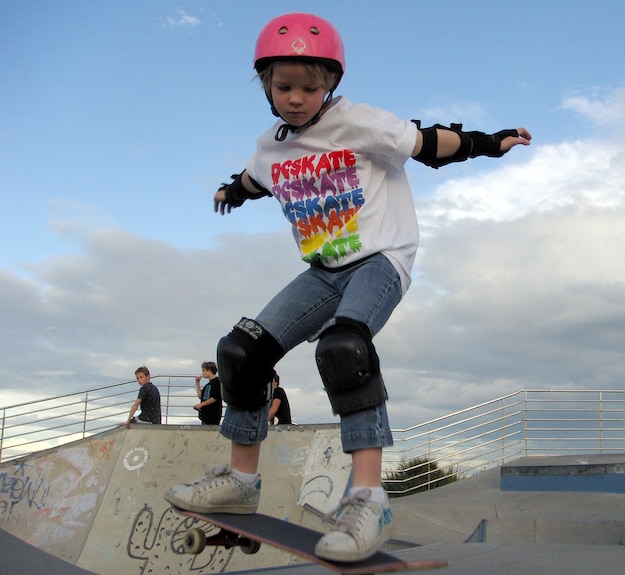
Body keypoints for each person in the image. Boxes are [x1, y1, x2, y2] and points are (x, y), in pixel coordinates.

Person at [164, 12, 531, 563]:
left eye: (310, 88)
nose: (296, 99)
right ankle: (241, 483)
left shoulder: (361, 123)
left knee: (344, 347)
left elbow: (431, 143)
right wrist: (229, 192)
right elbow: (253, 180)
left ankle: (368, 499)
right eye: (284, 87)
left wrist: (489, 141)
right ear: (265, 84)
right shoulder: (270, 146)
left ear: (330, 84)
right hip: (323, 271)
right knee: (241, 352)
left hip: (381, 260)